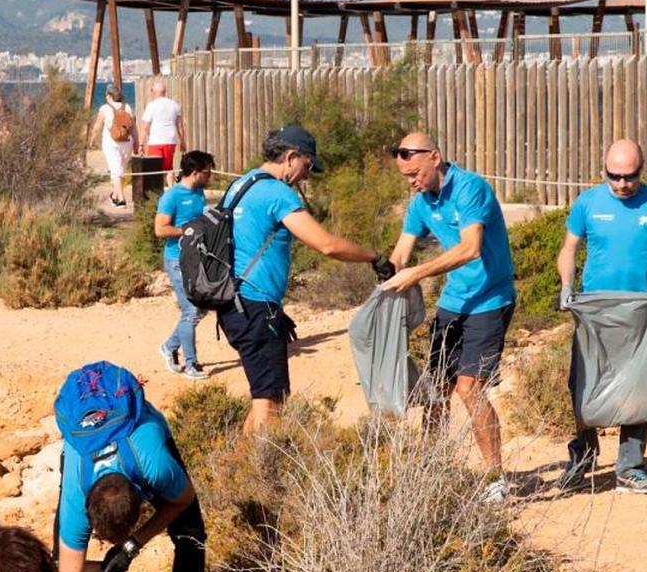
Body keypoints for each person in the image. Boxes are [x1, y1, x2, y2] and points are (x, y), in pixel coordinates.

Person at [220, 124, 395, 433]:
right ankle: (252, 476)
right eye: (307, 165)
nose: (306, 175)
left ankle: (236, 467)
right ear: (291, 157)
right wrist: (374, 256)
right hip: (255, 307)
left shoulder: (241, 183)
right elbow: (326, 244)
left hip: (234, 304)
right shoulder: (277, 193)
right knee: (271, 403)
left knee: (265, 396)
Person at [381, 132, 517, 504]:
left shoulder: (471, 189)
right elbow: (402, 253)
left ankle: (495, 477)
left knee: (469, 389)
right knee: (436, 390)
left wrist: (417, 274)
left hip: (490, 300)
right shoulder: (421, 203)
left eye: (415, 173)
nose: (412, 182)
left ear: (435, 157)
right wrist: (387, 274)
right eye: (405, 177)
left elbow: (471, 248)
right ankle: (432, 467)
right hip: (453, 301)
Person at [555, 138, 647, 495]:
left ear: (641, 171)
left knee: (640, 387)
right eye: (613, 175)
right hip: (594, 310)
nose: (621, 184)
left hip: (640, 311)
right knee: (584, 384)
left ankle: (630, 468)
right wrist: (566, 284)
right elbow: (569, 248)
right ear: (604, 170)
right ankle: (582, 458)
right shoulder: (588, 203)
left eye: (629, 177)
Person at [53, 364, 206, 572]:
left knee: (191, 535)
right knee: (64, 565)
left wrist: (132, 545)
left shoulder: (155, 466)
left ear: (142, 502)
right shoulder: (76, 496)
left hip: (140, 432)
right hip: (82, 441)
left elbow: (182, 499)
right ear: (89, 514)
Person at [156, 150, 215, 380]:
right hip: (176, 259)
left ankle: (169, 346)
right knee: (191, 310)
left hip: (197, 258)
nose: (210, 176)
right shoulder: (171, 197)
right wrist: (186, 231)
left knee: (201, 308)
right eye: (207, 172)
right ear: (195, 172)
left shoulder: (200, 193)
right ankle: (191, 364)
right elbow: (160, 229)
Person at [88, 85, 137, 208]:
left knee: (116, 171)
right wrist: (137, 142)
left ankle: (121, 200)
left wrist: (92, 140)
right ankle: (115, 196)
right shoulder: (128, 107)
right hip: (127, 142)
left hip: (111, 143)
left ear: (109, 96)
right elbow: (133, 127)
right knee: (120, 170)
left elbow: (98, 126)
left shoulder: (105, 108)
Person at [140, 80, 186, 187]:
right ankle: (171, 189)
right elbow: (180, 126)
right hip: (170, 140)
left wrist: (141, 144)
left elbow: (145, 127)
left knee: (154, 169)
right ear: (164, 92)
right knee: (169, 167)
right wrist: (183, 141)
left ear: (154, 92)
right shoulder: (174, 105)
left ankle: (156, 191)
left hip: (156, 141)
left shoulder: (151, 106)